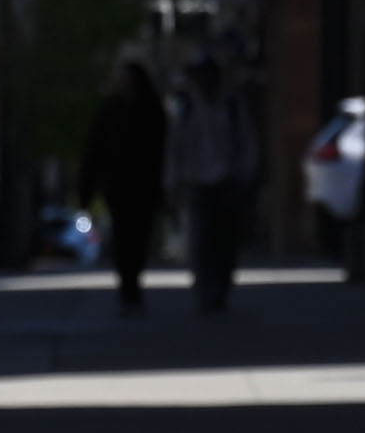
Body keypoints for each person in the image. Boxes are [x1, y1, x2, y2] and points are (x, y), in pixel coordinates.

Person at [78, 47, 168, 318]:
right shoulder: (111, 109)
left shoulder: (151, 109)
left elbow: (162, 149)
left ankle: (134, 285)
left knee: (139, 238)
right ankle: (128, 288)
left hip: (144, 186)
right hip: (118, 187)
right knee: (122, 237)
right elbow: (95, 150)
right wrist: (88, 189)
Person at [171, 47, 259, 315]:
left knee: (225, 240)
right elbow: (175, 149)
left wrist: (245, 174)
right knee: (201, 239)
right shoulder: (185, 111)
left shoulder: (231, 107)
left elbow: (247, 142)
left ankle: (221, 286)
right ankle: (204, 287)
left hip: (226, 181)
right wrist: (173, 182)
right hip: (197, 182)